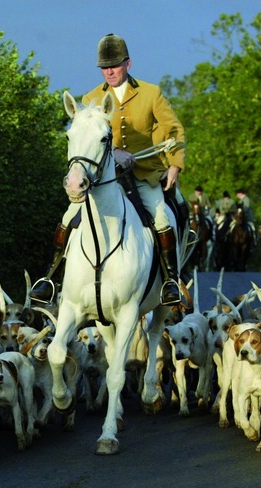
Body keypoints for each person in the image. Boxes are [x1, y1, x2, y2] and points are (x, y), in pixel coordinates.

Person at [30, 33, 187, 306]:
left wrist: (174, 163)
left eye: (114, 65)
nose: (109, 71)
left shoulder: (151, 93)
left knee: (162, 217)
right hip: (104, 180)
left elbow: (173, 130)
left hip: (143, 174)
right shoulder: (91, 98)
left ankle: (171, 282)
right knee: (69, 218)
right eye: (104, 67)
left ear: (128, 63)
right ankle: (50, 278)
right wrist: (112, 153)